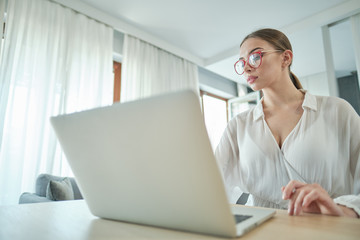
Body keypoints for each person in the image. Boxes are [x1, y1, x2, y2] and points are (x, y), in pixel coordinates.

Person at [215, 28, 360, 218]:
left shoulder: (338, 111)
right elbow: (210, 185)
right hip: (262, 230)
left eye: (255, 57)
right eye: (242, 63)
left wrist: (340, 210)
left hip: (329, 228)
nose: (246, 68)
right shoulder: (237, 126)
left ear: (285, 58)